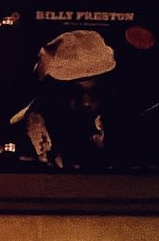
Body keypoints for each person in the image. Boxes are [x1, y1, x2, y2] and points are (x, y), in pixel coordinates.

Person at [8, 29, 117, 170]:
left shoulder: (118, 128)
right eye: (72, 92)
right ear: (50, 92)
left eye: (96, 92)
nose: (85, 103)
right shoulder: (20, 136)